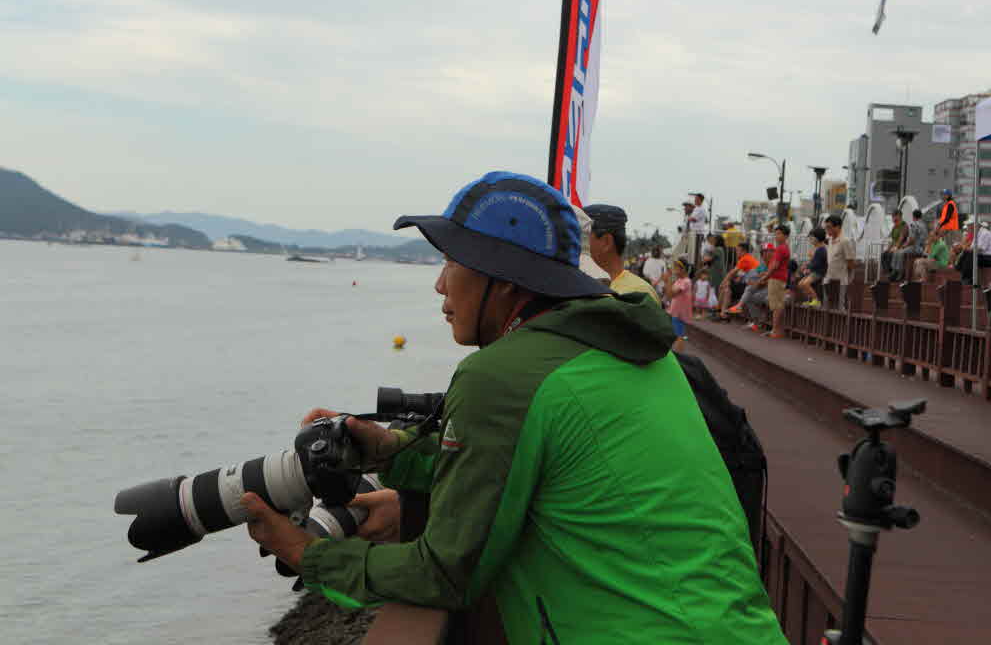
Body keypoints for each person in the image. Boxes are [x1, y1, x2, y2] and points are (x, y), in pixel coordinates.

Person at [243, 171, 785, 643]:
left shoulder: (500, 375)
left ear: (502, 280)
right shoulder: (634, 349)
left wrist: (307, 553)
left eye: (451, 262)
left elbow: (444, 573)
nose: (439, 285)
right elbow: (520, 458)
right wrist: (389, 450)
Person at [583, 203, 658, 299]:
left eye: (584, 238)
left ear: (606, 242)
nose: (575, 243)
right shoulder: (580, 284)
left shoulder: (638, 294)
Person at [763, 225, 791, 339]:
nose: (776, 236)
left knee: (776, 306)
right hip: (779, 278)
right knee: (778, 305)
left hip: (776, 278)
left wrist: (766, 276)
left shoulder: (781, 248)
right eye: (776, 234)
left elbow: (775, 265)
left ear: (786, 236)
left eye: (779, 233)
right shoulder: (784, 247)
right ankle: (777, 330)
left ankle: (775, 331)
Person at [955, 220, 991, 285]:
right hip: (985, 257)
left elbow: (980, 249)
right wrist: (965, 249)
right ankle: (959, 268)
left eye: (969, 227)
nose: (968, 229)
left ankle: (968, 279)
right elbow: (972, 248)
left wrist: (965, 248)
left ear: (974, 226)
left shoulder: (985, 233)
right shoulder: (977, 234)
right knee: (967, 253)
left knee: (971, 255)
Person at [823, 215, 857, 302]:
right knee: (828, 304)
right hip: (828, 279)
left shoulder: (845, 241)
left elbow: (850, 262)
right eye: (826, 228)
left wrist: (848, 280)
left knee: (840, 306)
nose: (827, 230)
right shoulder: (829, 240)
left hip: (840, 281)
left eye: (829, 227)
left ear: (837, 227)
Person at [664, 258, 694, 351]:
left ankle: (679, 356)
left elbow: (672, 294)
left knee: (679, 336)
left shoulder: (686, 281)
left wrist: (668, 280)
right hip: (675, 312)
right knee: (677, 335)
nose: (674, 270)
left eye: (676, 267)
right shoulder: (678, 280)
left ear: (683, 269)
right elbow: (669, 294)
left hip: (680, 314)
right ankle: (677, 353)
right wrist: (668, 282)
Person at [796, 229, 827, 306]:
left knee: (805, 283)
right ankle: (810, 299)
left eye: (811, 238)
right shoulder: (816, 248)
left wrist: (808, 268)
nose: (810, 240)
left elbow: (816, 264)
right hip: (814, 271)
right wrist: (807, 265)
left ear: (817, 238)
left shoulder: (821, 249)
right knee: (800, 284)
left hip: (819, 272)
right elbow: (813, 262)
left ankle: (816, 300)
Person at [880, 210, 909, 283]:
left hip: (901, 246)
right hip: (894, 245)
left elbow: (901, 239)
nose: (893, 218)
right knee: (884, 254)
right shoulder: (894, 227)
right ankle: (887, 272)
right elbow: (893, 240)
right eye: (892, 216)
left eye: (894, 216)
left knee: (890, 254)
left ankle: (894, 273)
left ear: (899, 216)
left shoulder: (904, 226)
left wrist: (896, 247)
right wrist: (888, 248)